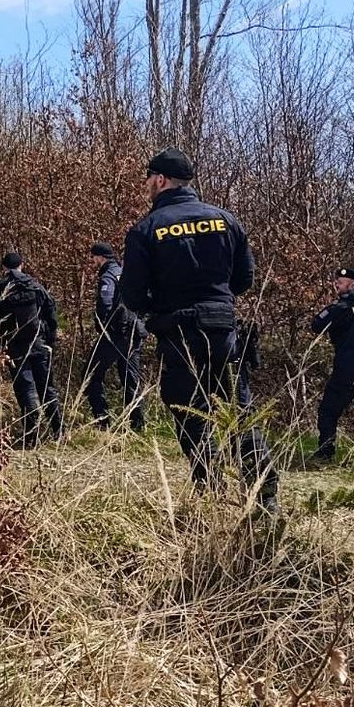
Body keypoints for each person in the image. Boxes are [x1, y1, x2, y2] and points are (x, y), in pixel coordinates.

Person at [119, 147, 279, 512]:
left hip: (178, 333)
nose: (146, 186)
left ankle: (210, 489)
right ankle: (266, 495)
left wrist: (159, 307)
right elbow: (244, 280)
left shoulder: (146, 229)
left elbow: (131, 295)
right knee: (239, 409)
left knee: (189, 411)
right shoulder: (226, 220)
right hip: (223, 330)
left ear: (160, 179)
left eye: (148, 179)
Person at [0, 252, 65, 447]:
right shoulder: (35, 286)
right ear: (22, 265)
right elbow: (51, 312)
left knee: (25, 389)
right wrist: (50, 339)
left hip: (15, 347)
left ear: (4, 268)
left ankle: (31, 436)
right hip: (38, 345)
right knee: (47, 389)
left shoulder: (2, 289)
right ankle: (59, 430)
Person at [310, 267, 354, 464]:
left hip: (348, 369)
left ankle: (326, 452)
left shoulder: (341, 308)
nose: (336, 285)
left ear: (353, 285)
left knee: (328, 411)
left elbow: (316, 325)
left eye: (340, 282)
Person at [84, 242, 146, 432]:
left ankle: (102, 421)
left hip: (116, 334)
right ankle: (137, 425)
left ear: (100, 257)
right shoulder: (125, 273)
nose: (92, 261)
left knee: (91, 374)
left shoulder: (108, 276)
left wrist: (102, 324)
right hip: (134, 331)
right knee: (130, 378)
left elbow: (105, 301)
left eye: (93, 257)